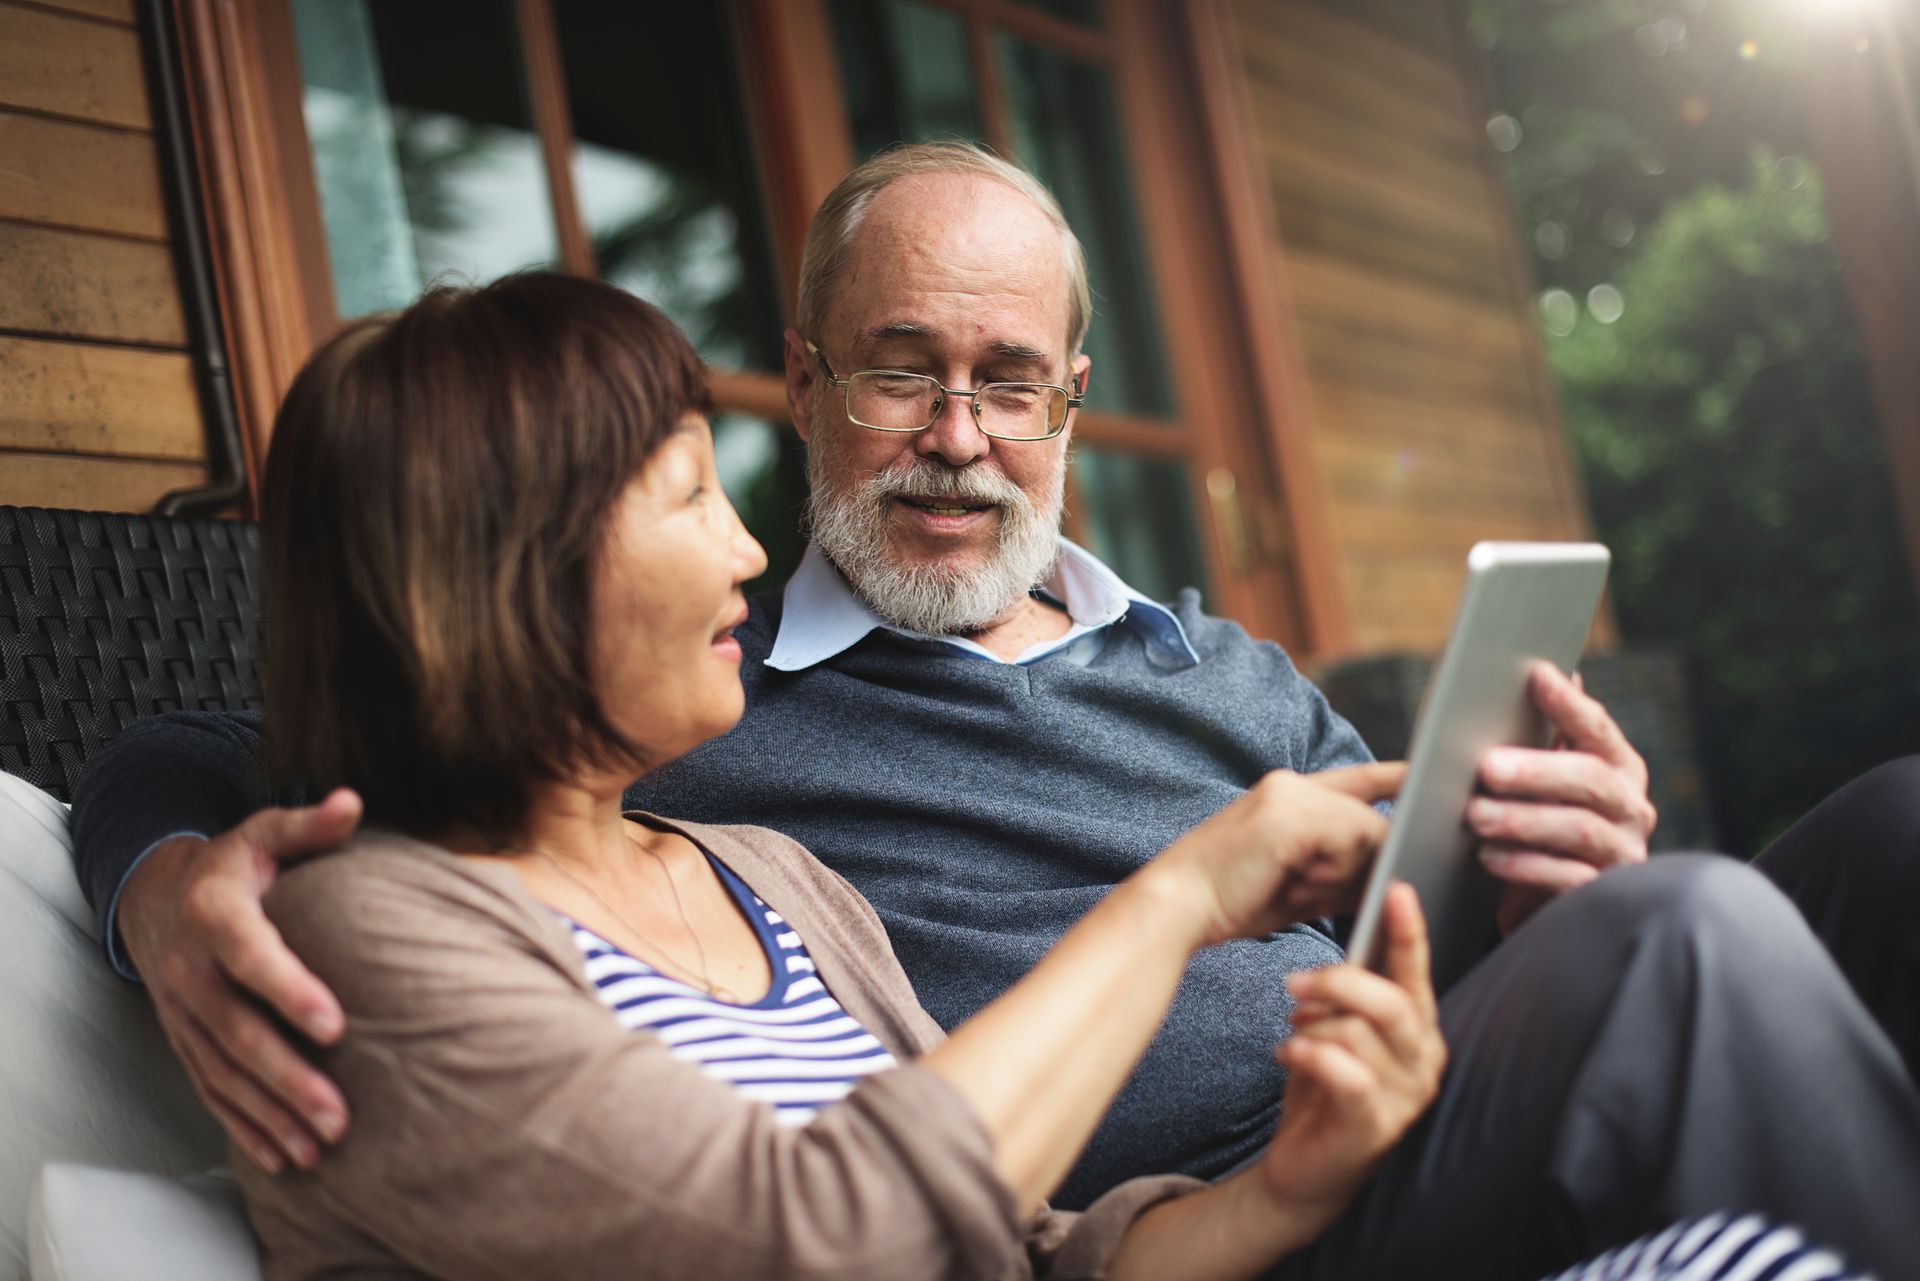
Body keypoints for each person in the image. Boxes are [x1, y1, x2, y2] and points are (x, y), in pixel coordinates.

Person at [70, 144, 1920, 1276]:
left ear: (1070, 404)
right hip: (1213, 1222)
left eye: (1010, 383)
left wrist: (1540, 879)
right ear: (799, 384)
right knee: (1692, 938)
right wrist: (168, 886)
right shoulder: (675, 699)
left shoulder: (1215, 672)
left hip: (1370, 1134)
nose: (959, 437)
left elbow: (1415, 938)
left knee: (1868, 834)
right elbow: (207, 740)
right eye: (903, 370)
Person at [230, 270, 1447, 1280]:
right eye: (691, 494)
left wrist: (1288, 1189)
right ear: (512, 570)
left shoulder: (766, 875)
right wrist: (1180, 901)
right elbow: (820, 1242)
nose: (751, 549)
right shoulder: (364, 933)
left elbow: (1025, 1253)